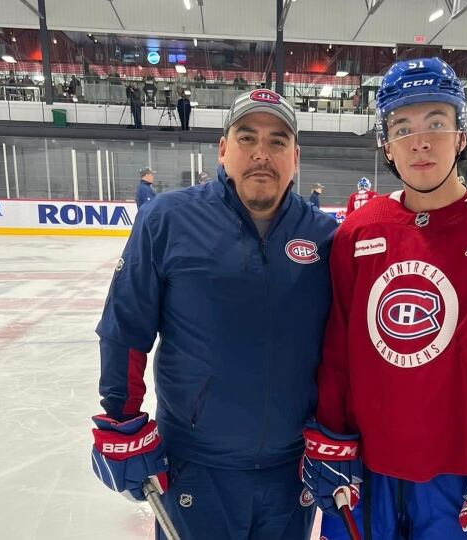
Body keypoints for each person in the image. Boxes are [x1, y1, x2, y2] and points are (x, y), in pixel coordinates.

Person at [300, 57, 467, 540]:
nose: (420, 140)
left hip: (460, 475)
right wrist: (331, 437)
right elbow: (338, 347)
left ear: (461, 135)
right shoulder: (360, 230)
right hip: (365, 468)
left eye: (436, 122)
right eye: (402, 127)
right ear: (386, 146)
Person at [91, 88, 337, 540]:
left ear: (295, 157)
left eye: (278, 141)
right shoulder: (167, 220)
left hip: (291, 472)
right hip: (195, 468)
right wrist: (120, 418)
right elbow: (126, 328)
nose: (262, 153)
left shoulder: (324, 235)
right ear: (223, 149)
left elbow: (344, 348)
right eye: (247, 138)